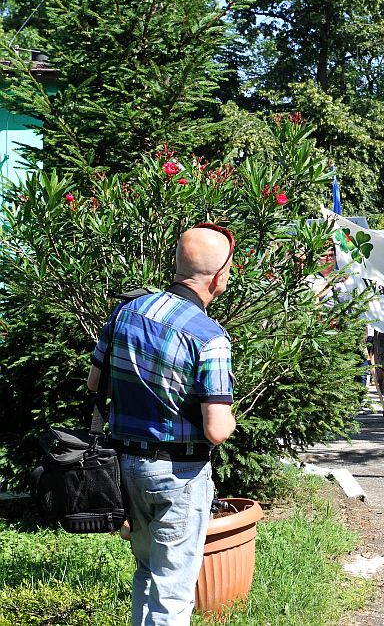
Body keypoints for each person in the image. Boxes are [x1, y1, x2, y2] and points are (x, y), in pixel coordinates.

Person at [88, 224, 236, 625]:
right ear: (220, 275)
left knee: (147, 575)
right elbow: (217, 430)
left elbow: (93, 383)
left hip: (125, 468)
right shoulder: (210, 337)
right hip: (179, 476)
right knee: (172, 594)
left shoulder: (125, 313)